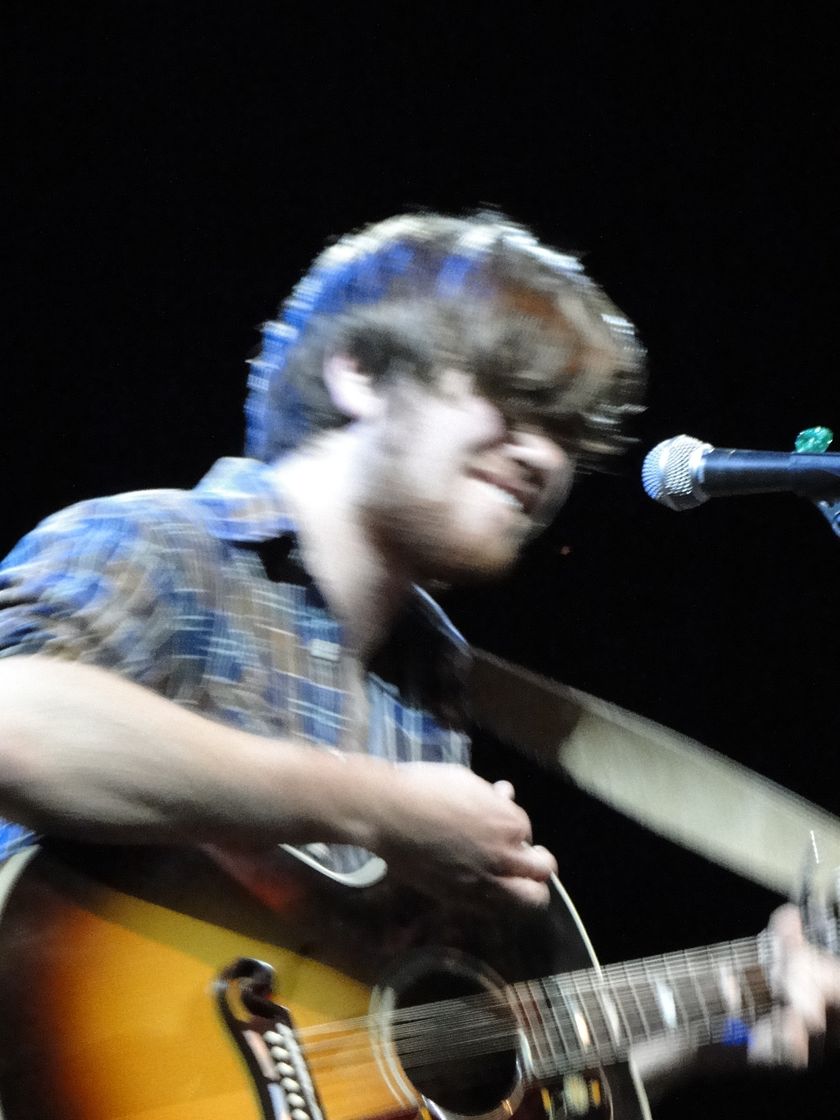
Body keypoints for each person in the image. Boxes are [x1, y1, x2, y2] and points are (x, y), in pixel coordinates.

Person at [0, 212, 836, 1091]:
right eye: (511, 397)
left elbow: (378, 1071)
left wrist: (726, 1020)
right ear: (360, 371)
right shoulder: (160, 547)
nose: (544, 457)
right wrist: (379, 805)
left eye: (567, 433)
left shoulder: (433, 678)